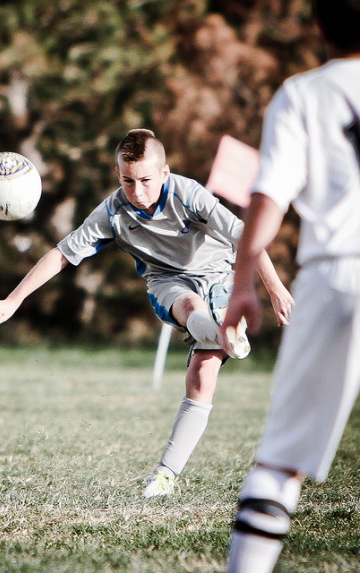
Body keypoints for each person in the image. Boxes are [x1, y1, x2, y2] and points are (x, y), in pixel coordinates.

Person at [0, 128, 293, 498]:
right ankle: (221, 334)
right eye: (129, 181)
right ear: (119, 176)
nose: (138, 191)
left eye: (146, 180)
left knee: (202, 373)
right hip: (166, 283)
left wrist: (275, 288)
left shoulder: (188, 193)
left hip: (217, 274)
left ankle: (167, 469)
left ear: (164, 173)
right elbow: (62, 254)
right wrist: (14, 299)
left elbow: (245, 235)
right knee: (191, 312)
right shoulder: (113, 211)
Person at [221, 0, 360, 570]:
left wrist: (242, 285)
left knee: (280, 462)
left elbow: (268, 194)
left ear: (319, 24)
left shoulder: (303, 94)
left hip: (338, 272)